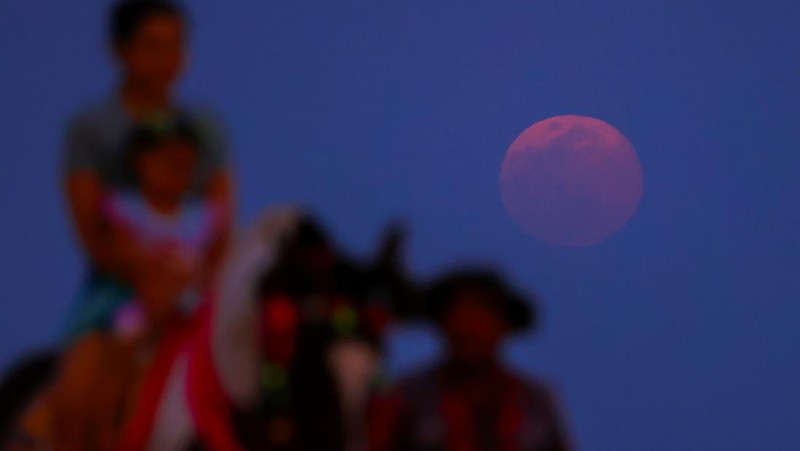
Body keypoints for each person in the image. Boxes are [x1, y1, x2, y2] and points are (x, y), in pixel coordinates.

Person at [62, 0, 233, 341]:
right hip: (121, 293)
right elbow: (96, 233)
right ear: (120, 50)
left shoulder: (206, 128)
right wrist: (153, 277)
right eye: (152, 45)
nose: (165, 59)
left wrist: (198, 278)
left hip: (198, 290)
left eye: (175, 45)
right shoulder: (92, 129)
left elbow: (222, 225)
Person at [52, 117, 225, 451]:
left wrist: (190, 278)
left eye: (184, 163)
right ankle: (102, 431)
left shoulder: (200, 215)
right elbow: (125, 255)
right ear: (141, 163)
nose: (176, 171)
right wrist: (161, 274)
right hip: (135, 306)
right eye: (165, 162)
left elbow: (207, 266)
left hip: (187, 308)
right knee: (118, 351)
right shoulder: (125, 210)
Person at [369, 269, 571, 451]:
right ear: (442, 326)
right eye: (458, 317)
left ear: (504, 326)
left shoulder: (535, 401)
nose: (468, 328)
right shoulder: (407, 397)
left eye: (481, 317)